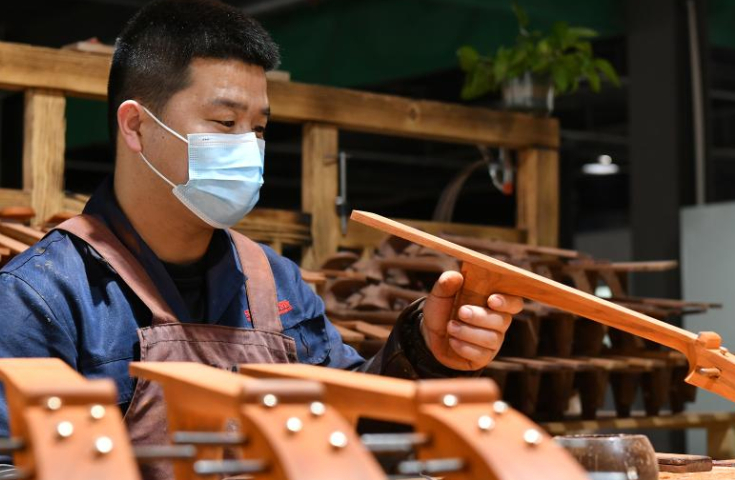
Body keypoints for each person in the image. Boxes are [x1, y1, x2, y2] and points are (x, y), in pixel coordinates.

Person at [0, 0, 523, 478]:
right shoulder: (42, 297)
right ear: (136, 126)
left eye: (259, 129)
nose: (247, 148)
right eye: (225, 121)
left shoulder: (275, 282)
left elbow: (346, 432)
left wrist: (424, 352)